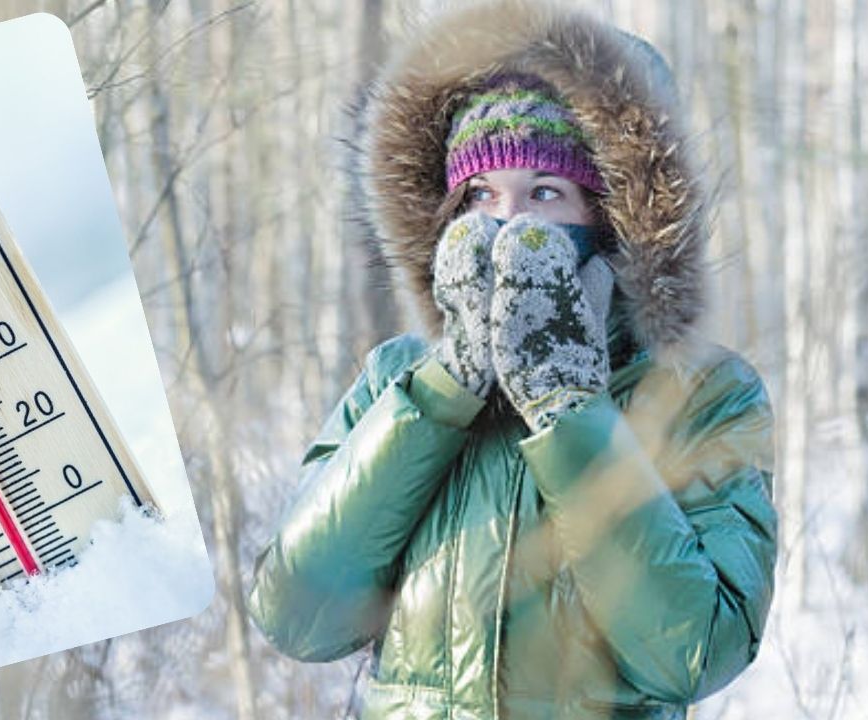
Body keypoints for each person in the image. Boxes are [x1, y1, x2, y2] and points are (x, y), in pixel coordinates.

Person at [245, 1, 779, 718]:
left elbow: (693, 652)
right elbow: (298, 616)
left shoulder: (702, 394)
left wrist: (570, 411)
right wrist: (441, 391)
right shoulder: (396, 382)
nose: (506, 225)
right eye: (480, 195)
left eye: (545, 194)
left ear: (614, 214)